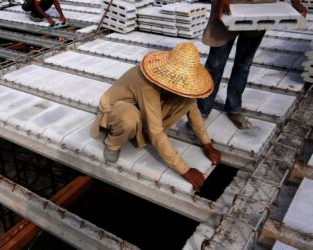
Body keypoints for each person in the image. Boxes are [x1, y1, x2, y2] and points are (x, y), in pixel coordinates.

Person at [91, 43, 221, 190]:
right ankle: (113, 143)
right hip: (119, 109)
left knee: (186, 100)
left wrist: (207, 144)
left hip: (146, 109)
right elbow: (156, 131)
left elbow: (193, 109)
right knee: (128, 118)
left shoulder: (179, 84)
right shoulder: (148, 85)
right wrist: (185, 170)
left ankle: (141, 131)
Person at [198, 0, 307, 129]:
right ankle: (202, 110)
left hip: (259, 6)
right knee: (215, 65)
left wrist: (295, 1)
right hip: (227, 4)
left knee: (244, 63)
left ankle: (234, 108)